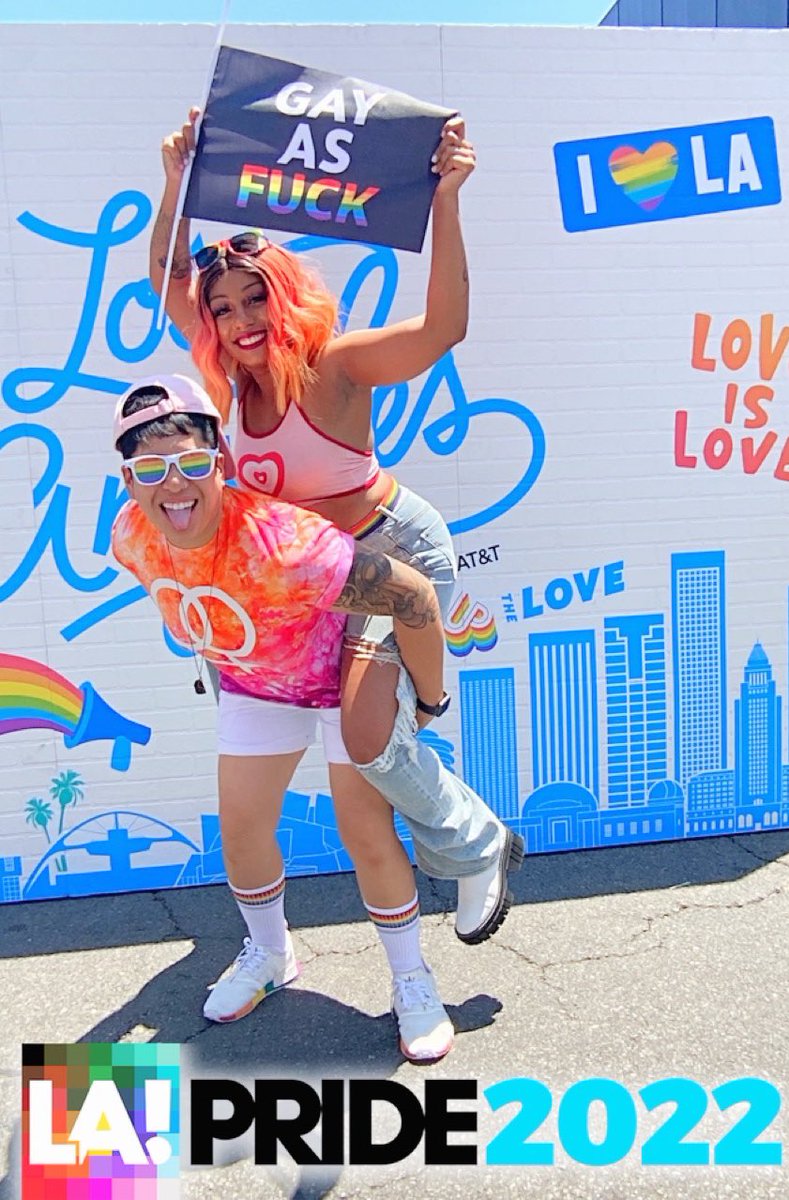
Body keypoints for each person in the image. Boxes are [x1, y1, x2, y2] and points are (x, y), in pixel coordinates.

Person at [150, 118, 523, 956]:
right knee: (365, 758)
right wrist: (175, 182)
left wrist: (446, 200)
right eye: (222, 308)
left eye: (255, 298)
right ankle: (473, 842)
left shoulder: (336, 368)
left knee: (365, 739)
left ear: (284, 297)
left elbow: (442, 329)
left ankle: (472, 845)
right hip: (311, 583)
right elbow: (169, 274)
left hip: (390, 552)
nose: (240, 319)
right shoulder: (226, 385)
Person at [111, 374, 514, 1063]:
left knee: (363, 831)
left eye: (191, 463)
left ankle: (412, 980)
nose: (173, 484)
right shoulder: (132, 537)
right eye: (151, 469)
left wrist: (425, 697)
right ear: (128, 481)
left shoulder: (285, 544)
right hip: (256, 684)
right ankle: (270, 954)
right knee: (242, 831)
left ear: (222, 461)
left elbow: (415, 596)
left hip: (335, 680)